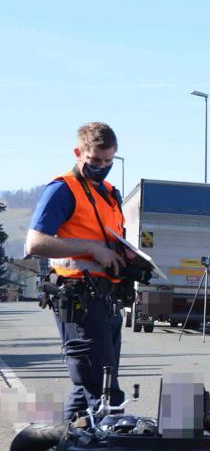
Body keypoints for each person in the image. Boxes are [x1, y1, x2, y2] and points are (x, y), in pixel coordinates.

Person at [25, 122, 128, 420]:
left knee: (87, 390)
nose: (102, 167)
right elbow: (35, 243)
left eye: (108, 161)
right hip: (78, 297)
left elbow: (109, 240)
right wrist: (93, 249)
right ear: (78, 152)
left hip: (106, 298)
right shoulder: (62, 189)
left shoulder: (110, 193)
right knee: (105, 393)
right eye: (95, 160)